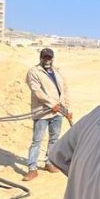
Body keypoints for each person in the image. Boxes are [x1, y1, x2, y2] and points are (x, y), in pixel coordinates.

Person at [23, 47, 72, 181]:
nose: (47, 60)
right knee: (37, 141)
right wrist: (52, 105)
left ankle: (49, 163)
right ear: (40, 58)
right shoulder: (34, 72)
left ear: (52, 58)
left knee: (54, 139)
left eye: (49, 57)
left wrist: (66, 109)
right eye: (45, 57)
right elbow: (37, 91)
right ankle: (32, 168)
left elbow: (65, 90)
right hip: (42, 113)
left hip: (58, 112)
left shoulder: (57, 72)